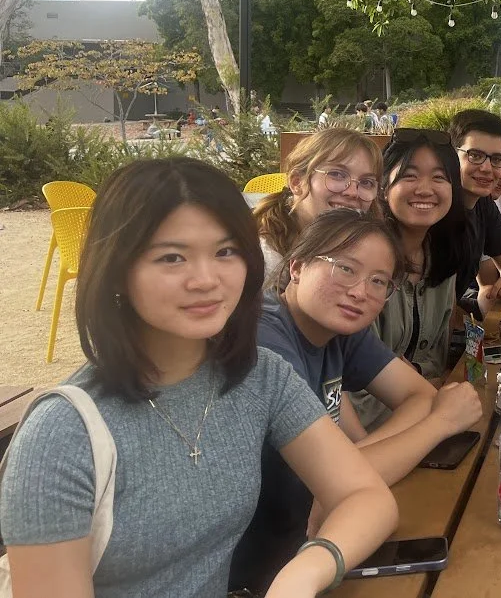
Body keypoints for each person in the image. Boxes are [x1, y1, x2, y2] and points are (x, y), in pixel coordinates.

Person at [0, 158, 397, 598]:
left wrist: (306, 571)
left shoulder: (260, 376)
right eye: (172, 257)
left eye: (226, 252)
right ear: (116, 270)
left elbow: (367, 497)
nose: (207, 280)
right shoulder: (61, 436)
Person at [231, 209, 482, 592]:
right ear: (296, 266)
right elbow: (331, 482)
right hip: (260, 573)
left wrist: (355, 462)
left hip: (318, 547)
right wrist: (440, 425)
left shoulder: (341, 327)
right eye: (345, 269)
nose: (361, 291)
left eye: (379, 281)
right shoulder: (266, 340)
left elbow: (417, 394)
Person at [370, 128, 470, 387]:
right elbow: (356, 381)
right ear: (383, 188)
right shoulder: (365, 264)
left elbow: (436, 361)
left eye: (439, 177)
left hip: (425, 405)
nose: (425, 189)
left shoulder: (442, 257)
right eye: (409, 176)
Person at [255, 127, 383, 285]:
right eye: (337, 174)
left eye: (366, 182)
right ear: (297, 182)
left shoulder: (368, 250)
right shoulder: (264, 262)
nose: (352, 192)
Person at [448, 109, 501, 312]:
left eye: (496, 159)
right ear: (450, 155)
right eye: (475, 155)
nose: (487, 168)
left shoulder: (483, 204)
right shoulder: (433, 208)